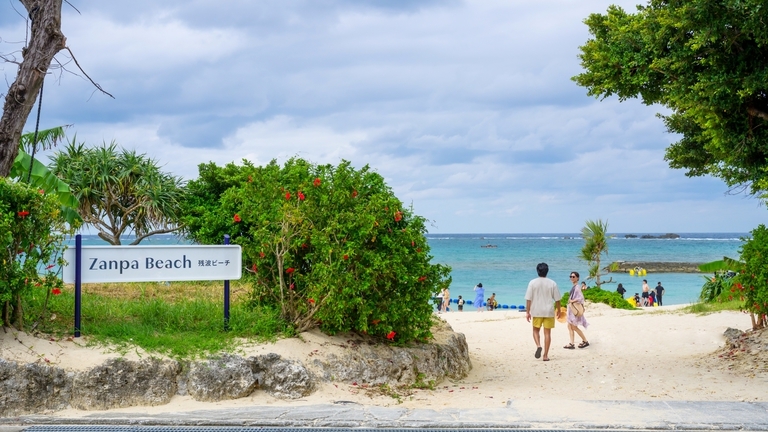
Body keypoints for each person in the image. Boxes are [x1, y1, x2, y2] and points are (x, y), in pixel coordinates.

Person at [525, 263, 561, 362]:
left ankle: (538, 345)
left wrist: (527, 312)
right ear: (547, 271)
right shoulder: (552, 283)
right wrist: (559, 310)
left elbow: (528, 299)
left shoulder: (532, 283)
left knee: (535, 330)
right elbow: (557, 299)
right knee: (547, 333)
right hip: (549, 311)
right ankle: (545, 355)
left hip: (536, 310)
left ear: (537, 271)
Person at [563, 271, 589, 349]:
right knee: (570, 326)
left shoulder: (577, 287)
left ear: (577, 278)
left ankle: (585, 341)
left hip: (574, 311)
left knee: (573, 327)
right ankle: (571, 343)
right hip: (571, 310)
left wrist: (572, 301)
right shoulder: (575, 286)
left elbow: (581, 298)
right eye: (571, 276)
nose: (572, 278)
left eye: (573, 277)